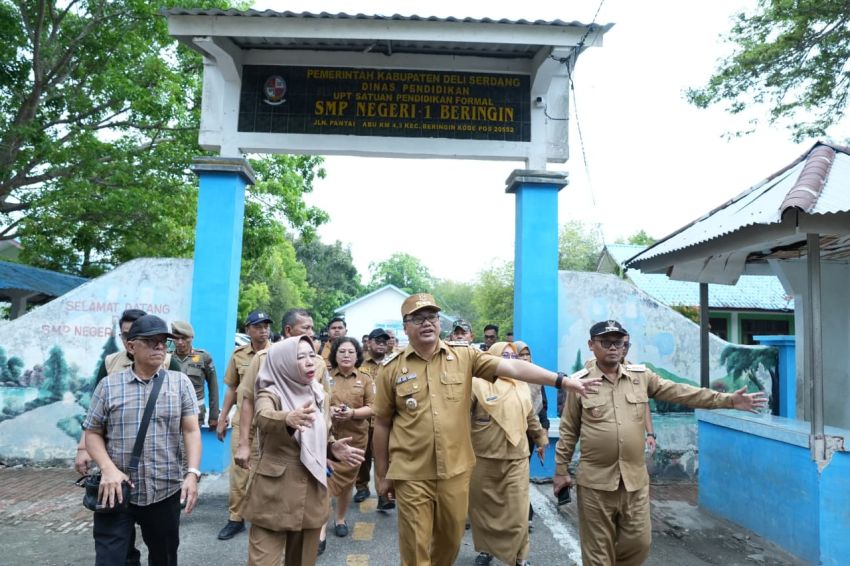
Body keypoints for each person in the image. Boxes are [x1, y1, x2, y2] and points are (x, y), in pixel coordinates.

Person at [372, 293, 600, 565]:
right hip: (411, 472)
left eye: (432, 316)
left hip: (455, 470)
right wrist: (382, 475)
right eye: (418, 318)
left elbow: (513, 367)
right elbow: (382, 424)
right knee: (415, 545)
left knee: (450, 540)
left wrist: (562, 381)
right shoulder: (391, 369)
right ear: (405, 326)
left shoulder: (464, 356)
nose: (427, 323)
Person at [554, 320, 768, 566]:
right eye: (606, 342)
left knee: (639, 544)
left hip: (634, 482)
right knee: (596, 552)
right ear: (591, 345)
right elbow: (569, 430)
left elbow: (681, 392)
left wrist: (728, 400)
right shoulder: (579, 383)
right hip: (595, 482)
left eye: (618, 342)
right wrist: (561, 470)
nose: (613, 347)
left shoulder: (640, 377)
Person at [82, 315, 201, 566]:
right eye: (150, 341)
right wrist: (107, 469)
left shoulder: (180, 384)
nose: (159, 346)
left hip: (164, 489)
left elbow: (191, 431)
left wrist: (192, 473)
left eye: (163, 342)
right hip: (115, 490)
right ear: (131, 346)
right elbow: (92, 432)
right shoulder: (109, 386)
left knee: (164, 557)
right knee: (110, 560)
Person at [240, 336, 364, 566]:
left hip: (311, 491)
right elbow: (263, 417)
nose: (309, 362)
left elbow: (322, 434)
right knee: (262, 562)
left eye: (311, 355)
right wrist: (287, 418)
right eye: (300, 357)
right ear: (283, 362)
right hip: (275, 494)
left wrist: (331, 448)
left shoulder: (319, 393)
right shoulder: (270, 391)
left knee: (302, 561)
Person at [469, 342, 548, 566]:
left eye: (513, 357)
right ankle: (486, 550)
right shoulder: (476, 384)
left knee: (518, 511)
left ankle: (520, 557)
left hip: (517, 456)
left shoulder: (521, 385)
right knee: (484, 509)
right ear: (492, 358)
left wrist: (540, 439)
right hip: (483, 457)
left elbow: (531, 416)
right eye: (504, 356)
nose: (510, 361)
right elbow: (461, 417)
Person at [215, 309, 273, 541]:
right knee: (239, 473)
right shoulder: (238, 355)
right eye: (258, 327)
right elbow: (232, 388)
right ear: (248, 330)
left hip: (271, 422)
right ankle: (236, 518)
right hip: (243, 423)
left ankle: (265, 517)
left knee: (269, 471)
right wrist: (222, 417)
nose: (263, 331)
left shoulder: (278, 353)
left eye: (266, 326)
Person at [326, 337, 374, 539]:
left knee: (347, 483)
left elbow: (373, 407)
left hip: (355, 440)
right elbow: (315, 401)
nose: (346, 355)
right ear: (335, 355)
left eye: (351, 352)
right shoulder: (325, 376)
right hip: (328, 439)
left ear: (357, 355)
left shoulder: (365, 378)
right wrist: (329, 410)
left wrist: (352, 413)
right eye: (342, 351)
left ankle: (340, 519)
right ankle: (320, 524)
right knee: (324, 481)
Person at [513, 340, 549, 530]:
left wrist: (543, 433)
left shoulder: (535, 377)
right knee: (513, 474)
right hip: (511, 432)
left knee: (522, 472)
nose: (525, 358)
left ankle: (525, 513)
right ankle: (521, 512)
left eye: (527, 354)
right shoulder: (507, 378)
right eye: (521, 355)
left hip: (530, 432)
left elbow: (543, 407)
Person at [352, 327, 391, 506]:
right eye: (378, 341)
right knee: (362, 455)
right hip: (362, 417)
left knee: (384, 457)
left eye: (384, 341)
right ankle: (362, 487)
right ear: (369, 343)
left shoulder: (393, 362)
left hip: (384, 418)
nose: (381, 344)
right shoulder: (359, 362)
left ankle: (383, 494)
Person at [171, 320, 219, 428]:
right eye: (176, 338)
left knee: (192, 439)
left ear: (192, 337)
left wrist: (214, 416)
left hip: (196, 414)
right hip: (171, 413)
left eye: (184, 338)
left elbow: (213, 387)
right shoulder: (167, 358)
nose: (180, 342)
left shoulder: (203, 357)